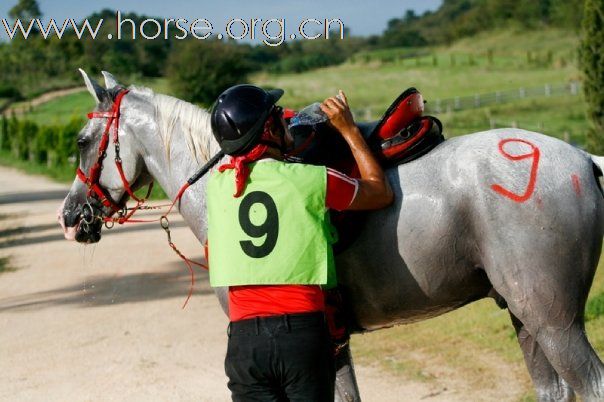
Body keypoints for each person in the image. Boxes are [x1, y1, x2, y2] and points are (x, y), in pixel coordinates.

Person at [206, 84, 393, 401]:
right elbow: (379, 192)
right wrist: (348, 130)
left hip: (243, 343)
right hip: (302, 336)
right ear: (269, 128)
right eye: (278, 114)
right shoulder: (313, 179)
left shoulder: (218, 187)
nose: (285, 117)